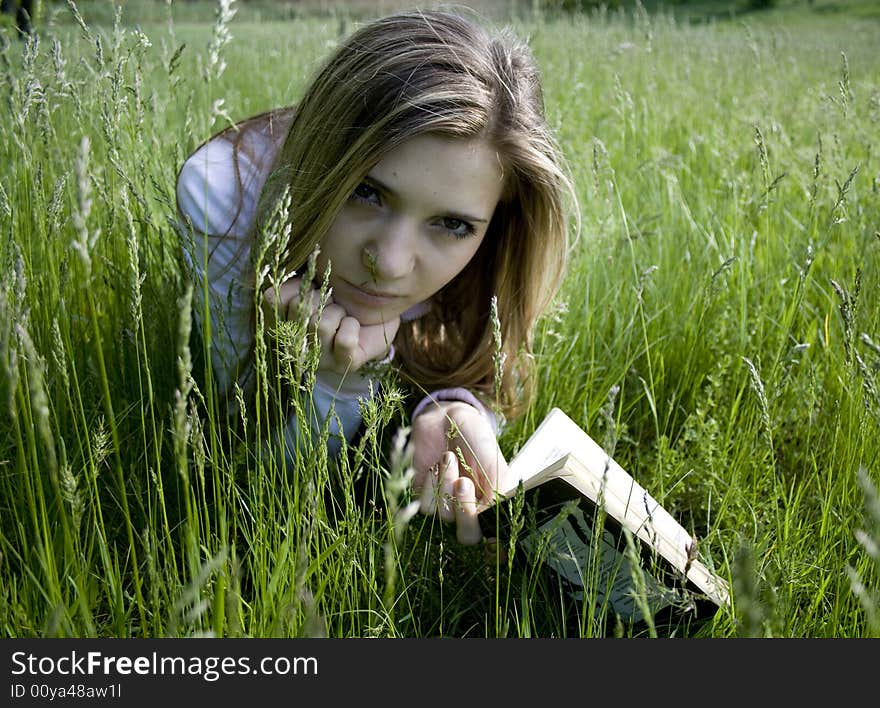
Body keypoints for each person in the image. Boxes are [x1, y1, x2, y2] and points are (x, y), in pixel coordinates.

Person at [175, 10, 576, 547]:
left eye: (452, 225)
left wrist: (452, 408)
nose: (388, 264)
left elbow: (476, 361)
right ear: (327, 164)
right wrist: (330, 381)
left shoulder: (492, 245)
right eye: (367, 192)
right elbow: (251, 465)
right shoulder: (222, 200)